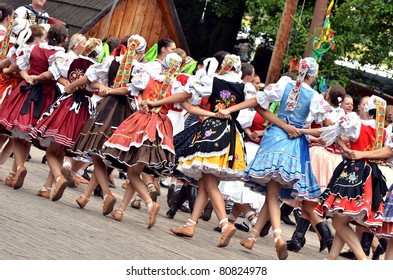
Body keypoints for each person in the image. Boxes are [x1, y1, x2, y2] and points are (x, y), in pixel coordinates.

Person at [217, 57, 332, 259]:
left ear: (298, 71)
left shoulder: (285, 84)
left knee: (273, 191)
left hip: (275, 138)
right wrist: (301, 130)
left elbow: (258, 103)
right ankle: (256, 236)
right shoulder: (314, 97)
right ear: (313, 75)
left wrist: (230, 109)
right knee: (274, 192)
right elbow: (328, 129)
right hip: (296, 146)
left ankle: (275, 236)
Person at [316, 95, 388, 260]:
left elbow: (333, 134)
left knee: (338, 221)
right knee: (343, 219)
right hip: (372, 174)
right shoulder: (383, 131)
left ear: (366, 109)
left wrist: (345, 149)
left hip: (354, 172)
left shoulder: (357, 124)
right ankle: (331, 259)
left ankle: (362, 259)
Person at [0, 24, 68, 190]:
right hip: (46, 93)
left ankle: (20, 166)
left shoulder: (35, 49)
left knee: (17, 132)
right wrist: (38, 78)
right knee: (29, 133)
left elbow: (21, 67)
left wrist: (28, 77)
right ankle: (15, 170)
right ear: (63, 40)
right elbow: (52, 74)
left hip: (27, 90)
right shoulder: (59, 54)